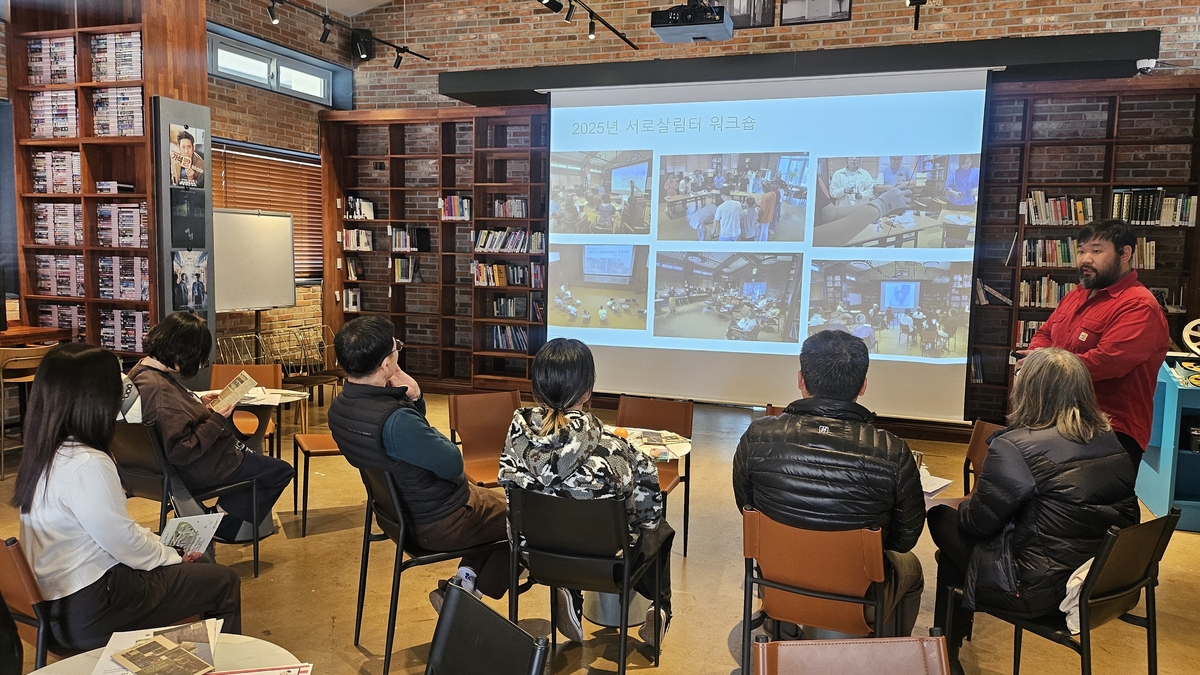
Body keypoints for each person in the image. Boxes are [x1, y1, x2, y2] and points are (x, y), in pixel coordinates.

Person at [12, 343, 240, 650]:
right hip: (92, 609)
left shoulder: (44, 453)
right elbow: (126, 546)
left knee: (173, 553)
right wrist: (173, 555)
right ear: (96, 400)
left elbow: (112, 533)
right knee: (223, 582)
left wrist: (163, 547)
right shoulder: (88, 463)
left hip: (52, 607)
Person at [928, 348, 1138, 674]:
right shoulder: (1111, 442)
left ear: (1028, 391)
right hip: (1097, 583)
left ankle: (946, 654)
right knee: (960, 554)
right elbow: (1126, 517)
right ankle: (948, 650)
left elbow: (978, 524)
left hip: (1038, 590)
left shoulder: (1016, 447)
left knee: (942, 519)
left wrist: (970, 503)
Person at [733, 330, 925, 637]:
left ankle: (782, 625)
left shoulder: (758, 436)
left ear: (801, 380)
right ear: (863, 386)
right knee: (911, 568)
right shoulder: (892, 451)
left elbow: (747, 507)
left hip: (774, 584)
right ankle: (883, 658)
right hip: (859, 599)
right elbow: (903, 541)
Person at [499, 338, 673, 647]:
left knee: (563, 513)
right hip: (606, 566)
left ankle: (572, 599)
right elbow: (645, 516)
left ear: (536, 389)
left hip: (533, 556)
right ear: (588, 390)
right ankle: (661, 609)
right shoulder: (617, 450)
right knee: (659, 529)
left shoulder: (515, 437)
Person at [327, 317, 510, 609]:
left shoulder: (340, 408)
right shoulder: (394, 420)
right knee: (527, 521)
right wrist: (414, 401)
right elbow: (451, 462)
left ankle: (465, 580)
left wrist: (414, 400)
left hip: (398, 516)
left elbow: (411, 449)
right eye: (395, 348)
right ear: (386, 365)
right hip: (441, 519)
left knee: (502, 507)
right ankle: (467, 600)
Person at [130, 313, 293, 542]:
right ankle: (216, 522)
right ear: (181, 351)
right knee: (279, 471)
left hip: (182, 466)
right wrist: (217, 418)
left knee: (258, 466)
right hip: (205, 466)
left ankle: (217, 519)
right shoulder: (159, 390)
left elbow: (176, 414)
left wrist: (200, 403)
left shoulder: (142, 372)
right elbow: (182, 449)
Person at [1022, 219, 1170, 473]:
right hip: (1058, 418)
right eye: (1081, 251)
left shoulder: (1138, 305)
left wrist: (1041, 365)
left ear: (1125, 253)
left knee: (1090, 509)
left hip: (1109, 430)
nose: (1084, 259)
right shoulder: (1076, 294)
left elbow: (1107, 362)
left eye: (1096, 251)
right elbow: (1045, 334)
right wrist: (1040, 355)